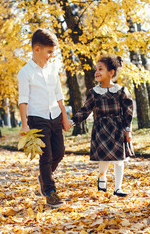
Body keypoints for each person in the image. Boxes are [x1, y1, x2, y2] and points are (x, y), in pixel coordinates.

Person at [17, 28, 71, 208]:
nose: (50, 56)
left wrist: (64, 117)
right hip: (37, 118)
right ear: (36, 49)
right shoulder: (25, 73)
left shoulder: (52, 69)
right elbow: (23, 100)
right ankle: (50, 191)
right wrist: (24, 125)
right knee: (46, 156)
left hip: (55, 115)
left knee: (59, 153)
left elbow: (59, 95)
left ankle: (43, 176)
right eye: (48, 52)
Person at [70, 54, 134, 197]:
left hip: (118, 128)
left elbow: (128, 111)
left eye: (101, 69)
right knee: (104, 158)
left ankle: (118, 188)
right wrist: (72, 122)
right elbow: (85, 110)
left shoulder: (121, 91)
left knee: (119, 160)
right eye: (96, 69)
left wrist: (128, 130)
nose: (97, 72)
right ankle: (102, 178)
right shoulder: (94, 93)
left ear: (111, 73)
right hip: (101, 129)